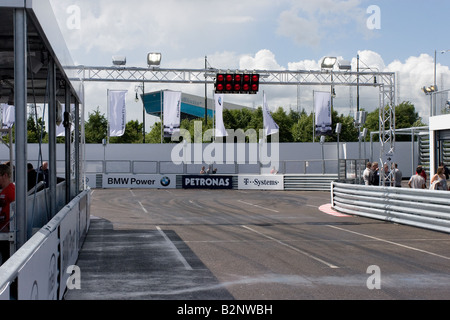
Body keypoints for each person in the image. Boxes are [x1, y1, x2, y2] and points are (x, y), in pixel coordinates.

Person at [0, 164, 15, 264]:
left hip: (6, 234)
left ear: (5, 175)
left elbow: (15, 210)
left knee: (6, 259)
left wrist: (9, 226)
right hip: (3, 232)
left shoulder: (11, 190)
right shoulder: (5, 190)